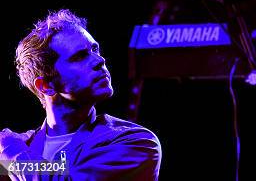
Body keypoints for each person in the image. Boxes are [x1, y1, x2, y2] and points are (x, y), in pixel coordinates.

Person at [0, 9, 162, 180]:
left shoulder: (136, 142)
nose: (100, 61)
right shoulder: (23, 145)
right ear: (46, 85)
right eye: (80, 56)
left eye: (95, 50)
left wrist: (10, 151)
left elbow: (67, 178)